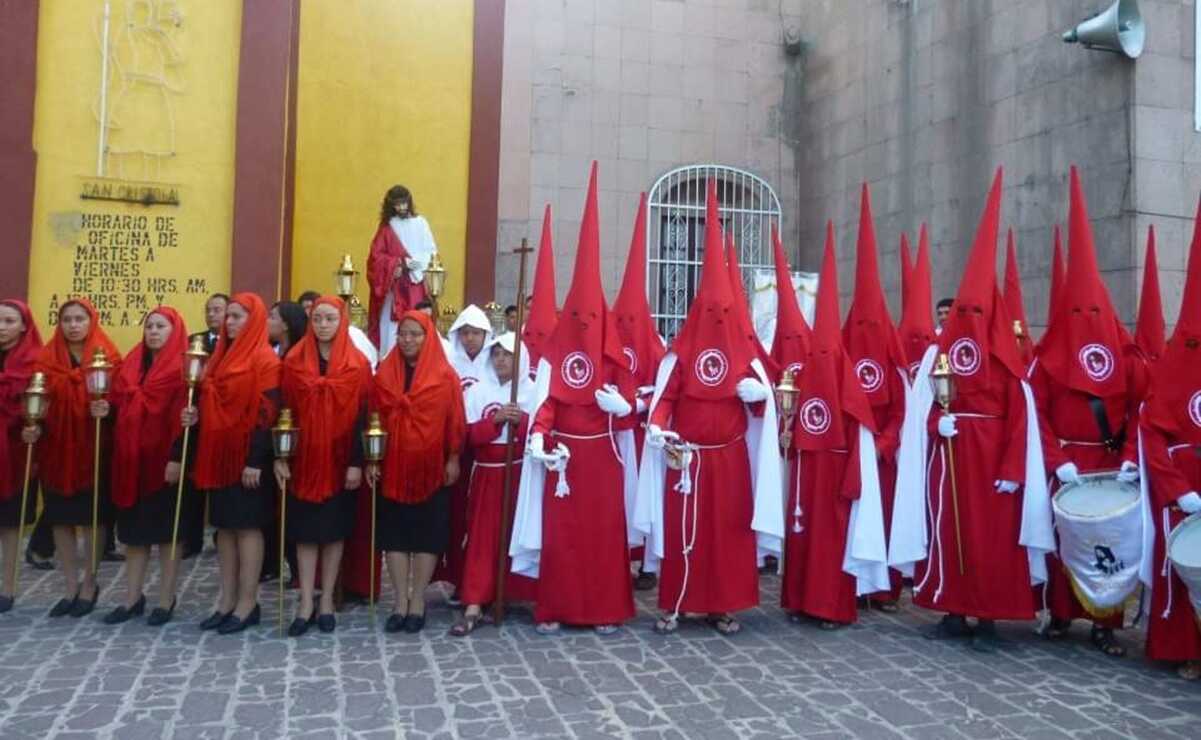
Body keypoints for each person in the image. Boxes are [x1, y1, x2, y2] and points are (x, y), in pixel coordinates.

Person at [893, 170, 1053, 653]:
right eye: (963, 313)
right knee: (950, 530)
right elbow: (923, 404)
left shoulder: (1007, 367)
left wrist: (1010, 469)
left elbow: (1020, 418)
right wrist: (934, 423)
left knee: (991, 540)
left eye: (977, 315)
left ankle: (987, 614)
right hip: (951, 457)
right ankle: (953, 606)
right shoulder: (939, 357)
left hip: (992, 468)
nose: (968, 324)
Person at [636, 180, 783, 636]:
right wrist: (658, 429)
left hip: (731, 457)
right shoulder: (681, 355)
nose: (717, 321)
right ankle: (676, 603)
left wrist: (762, 400)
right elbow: (667, 399)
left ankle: (724, 605)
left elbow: (766, 408)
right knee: (683, 533)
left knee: (728, 535)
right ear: (697, 313)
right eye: (710, 312)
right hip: (688, 457)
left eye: (725, 313)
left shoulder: (747, 355)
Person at [510, 163, 637, 635]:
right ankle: (557, 607)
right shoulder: (554, 358)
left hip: (602, 457)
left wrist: (622, 409)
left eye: (591, 315)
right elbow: (545, 405)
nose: (584, 323)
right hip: (563, 461)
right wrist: (540, 439)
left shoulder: (614, 359)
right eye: (576, 314)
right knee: (562, 538)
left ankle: (604, 610)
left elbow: (631, 409)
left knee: (603, 536)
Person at [1031, 168, 1148, 657]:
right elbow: (1035, 413)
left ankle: (1105, 623)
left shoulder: (1127, 358)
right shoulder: (1047, 360)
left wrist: (1131, 456)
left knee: (1108, 543)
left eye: (1093, 314)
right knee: (1066, 543)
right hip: (1070, 468)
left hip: (1110, 462)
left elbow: (1147, 406)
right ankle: (1061, 613)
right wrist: (1058, 459)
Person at [781, 221, 888, 629]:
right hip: (808, 470)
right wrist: (786, 437)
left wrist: (853, 479)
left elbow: (861, 432)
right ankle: (797, 600)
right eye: (817, 353)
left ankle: (832, 607)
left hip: (836, 471)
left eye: (829, 353)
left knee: (831, 541)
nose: (822, 359)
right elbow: (791, 424)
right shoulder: (805, 376)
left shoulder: (849, 386)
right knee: (803, 536)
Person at [181, 293, 281, 634]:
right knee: (223, 527)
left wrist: (255, 460)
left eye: (238, 317)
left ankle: (248, 601)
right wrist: (196, 412)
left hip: (247, 457)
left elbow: (267, 414)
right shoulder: (220, 356)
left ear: (253, 320)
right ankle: (226, 599)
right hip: (217, 452)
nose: (231, 322)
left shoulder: (265, 359)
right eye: (229, 317)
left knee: (247, 527)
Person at [276, 297, 370, 636]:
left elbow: (365, 416)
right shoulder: (293, 361)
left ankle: (327, 599)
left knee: (332, 533)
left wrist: (357, 464)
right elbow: (283, 411)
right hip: (303, 460)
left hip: (340, 459)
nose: (324, 325)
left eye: (330, 318)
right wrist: (281, 456)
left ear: (341, 322)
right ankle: (304, 600)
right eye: (318, 319)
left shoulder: (357, 364)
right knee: (304, 533)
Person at [370, 310, 465, 634]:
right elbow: (374, 420)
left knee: (426, 535)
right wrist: (372, 459)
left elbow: (455, 420)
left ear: (428, 337)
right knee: (395, 535)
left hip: (431, 467)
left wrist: (452, 458)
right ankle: (399, 601)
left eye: (415, 334)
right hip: (393, 466)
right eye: (402, 334)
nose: (407, 340)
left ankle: (418, 601)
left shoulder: (445, 376)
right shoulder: (384, 373)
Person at [1140, 197, 1201, 681]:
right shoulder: (1172, 369)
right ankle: (1182, 646)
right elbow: (1153, 434)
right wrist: (1177, 488)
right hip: (1183, 484)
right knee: (1181, 566)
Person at [32, 299, 121, 618]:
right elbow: (35, 399)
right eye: (66, 319)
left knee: (91, 518)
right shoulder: (46, 357)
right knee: (61, 518)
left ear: (91, 321)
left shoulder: (107, 355)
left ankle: (89, 582)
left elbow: (119, 397)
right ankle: (69, 585)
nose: (72, 325)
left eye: (79, 319)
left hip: (92, 446)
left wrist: (107, 408)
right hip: (56, 448)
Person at [842, 185, 907, 612]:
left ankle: (883, 590)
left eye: (873, 322)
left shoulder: (894, 361)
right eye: (858, 322)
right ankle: (853, 585)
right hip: (849, 451)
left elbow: (902, 410)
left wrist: (882, 444)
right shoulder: (843, 351)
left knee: (884, 518)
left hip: (882, 457)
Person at [102, 307, 189, 626]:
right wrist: (105, 408)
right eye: (149, 326)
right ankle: (131, 597)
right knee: (134, 535)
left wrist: (177, 458)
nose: (153, 331)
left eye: (161, 326)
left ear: (174, 329)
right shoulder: (131, 363)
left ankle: (166, 598)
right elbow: (117, 406)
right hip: (131, 462)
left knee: (167, 534)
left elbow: (187, 418)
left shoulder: (183, 367)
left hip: (164, 461)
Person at [450, 333, 537, 635]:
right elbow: (467, 437)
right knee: (483, 537)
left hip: (521, 473)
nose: (500, 359)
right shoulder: (477, 392)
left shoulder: (533, 391)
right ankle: (475, 599)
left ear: (520, 359)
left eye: (508, 354)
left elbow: (542, 434)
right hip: (488, 473)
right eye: (496, 353)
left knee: (518, 533)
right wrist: (496, 421)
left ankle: (515, 592)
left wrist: (523, 420)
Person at [613, 193, 666, 592]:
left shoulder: (657, 345)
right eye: (623, 318)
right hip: (614, 431)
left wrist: (641, 402)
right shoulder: (608, 341)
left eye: (636, 318)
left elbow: (663, 390)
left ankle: (647, 563)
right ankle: (616, 557)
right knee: (616, 499)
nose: (629, 324)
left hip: (643, 432)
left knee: (645, 498)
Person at [0, 300, 42, 613]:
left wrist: (35, 427)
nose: (2, 327)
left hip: (16, 450)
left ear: (23, 326)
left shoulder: (34, 362)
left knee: (11, 523)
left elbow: (43, 406)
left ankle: (9, 587)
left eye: (9, 321)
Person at [367, 185, 439, 358]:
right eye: (397, 205)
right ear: (390, 206)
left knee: (419, 322)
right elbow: (375, 259)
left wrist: (417, 263)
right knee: (391, 333)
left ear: (409, 202)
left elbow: (432, 251)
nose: (401, 208)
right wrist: (397, 264)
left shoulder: (421, 223)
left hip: (417, 285)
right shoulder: (387, 228)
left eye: (404, 203)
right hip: (395, 290)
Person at [299, 289, 378, 370]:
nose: (323, 325)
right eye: (316, 319)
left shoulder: (355, 338)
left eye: (330, 319)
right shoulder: (297, 356)